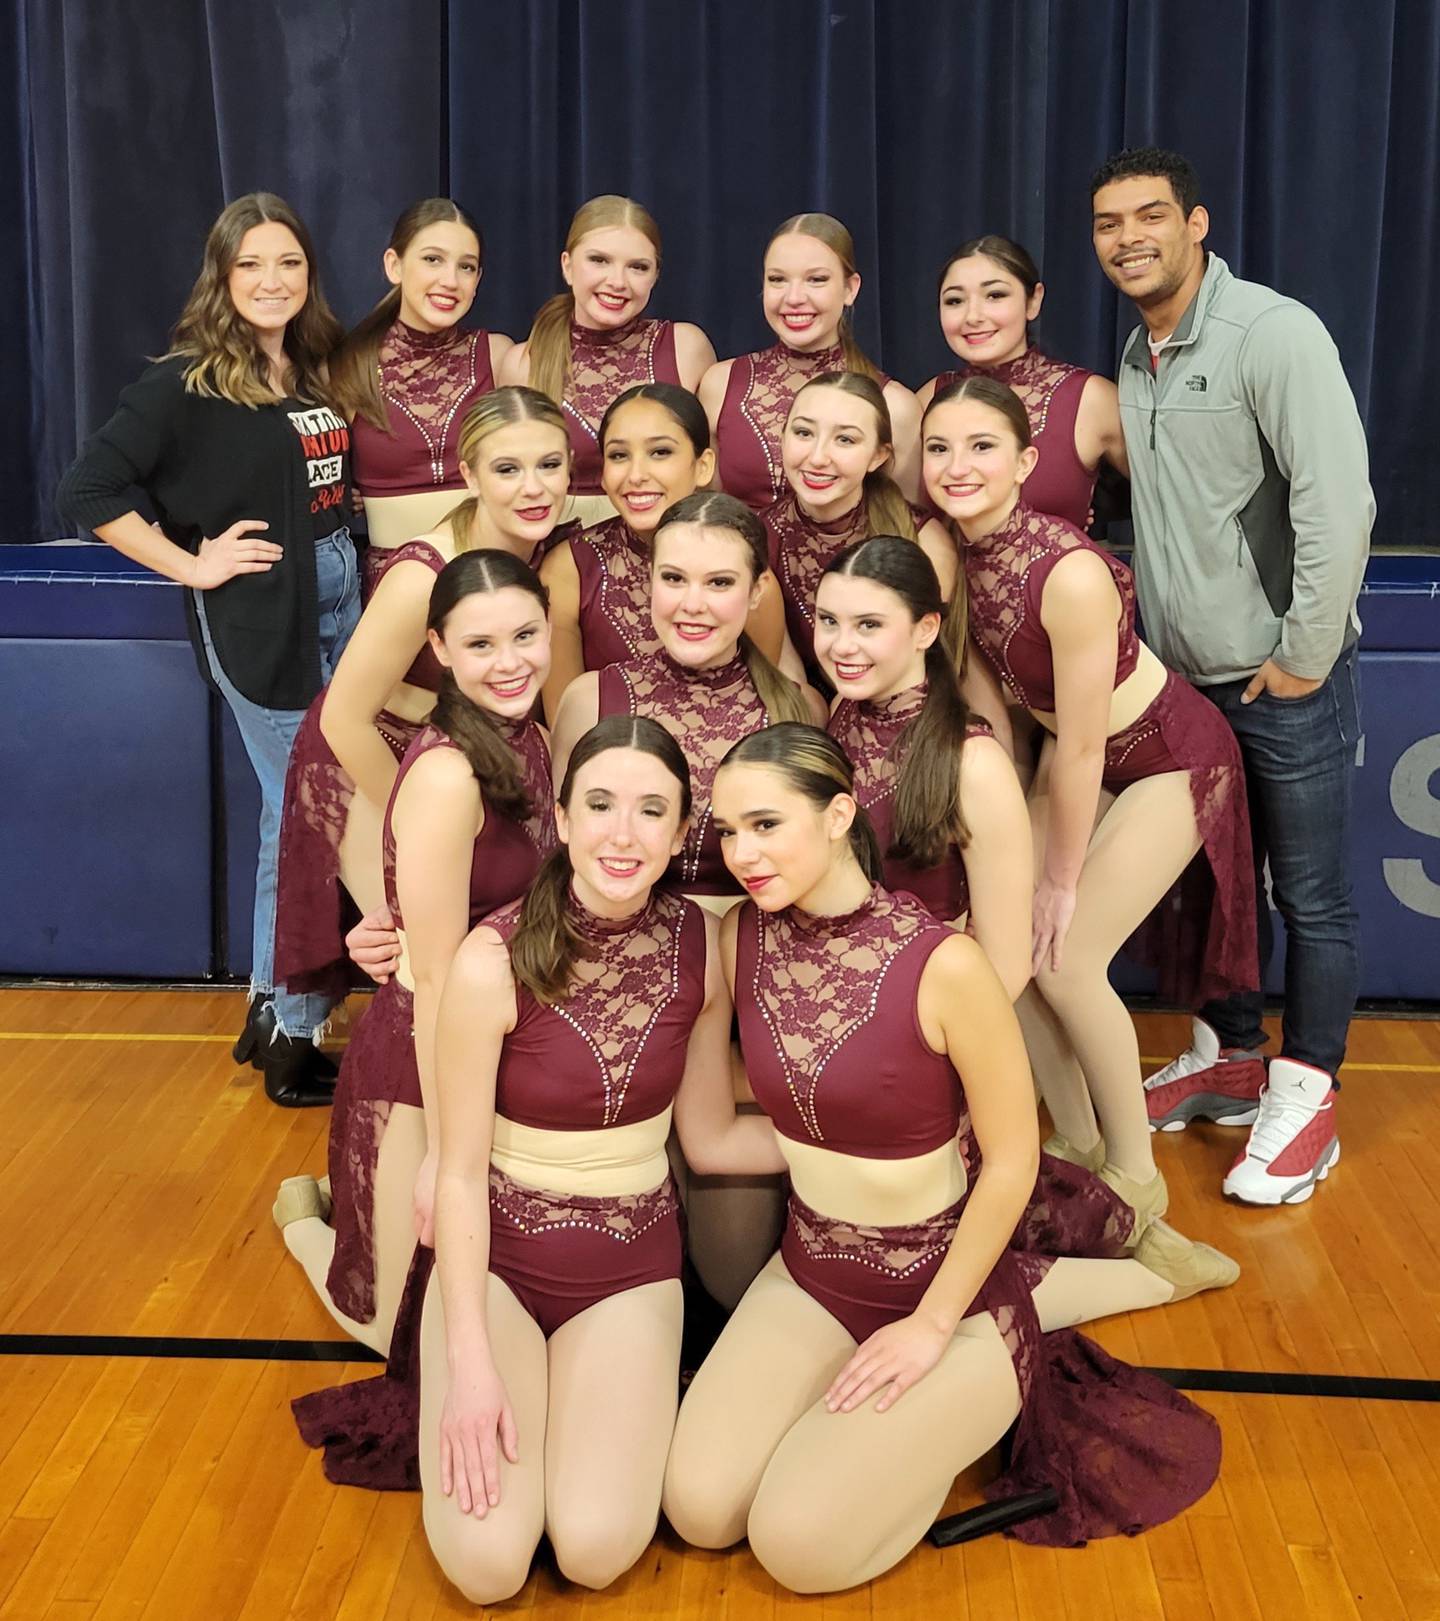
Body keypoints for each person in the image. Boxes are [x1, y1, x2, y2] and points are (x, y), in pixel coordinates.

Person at [661, 724, 1227, 1593]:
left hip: (946, 1294)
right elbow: (719, 1135)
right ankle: (1019, 1322)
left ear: (841, 812)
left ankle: (1070, 1304)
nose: (742, 852)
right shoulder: (741, 938)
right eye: (727, 830)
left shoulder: (945, 963)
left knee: (797, 1546)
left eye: (766, 824)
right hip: (813, 1273)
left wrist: (929, 1327)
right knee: (700, 1510)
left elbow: (1011, 1162)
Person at [295, 717, 787, 1602]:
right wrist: (470, 1361)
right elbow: (455, 1173)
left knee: (596, 1548)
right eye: (599, 805)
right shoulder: (491, 958)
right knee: (487, 1568)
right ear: (561, 818)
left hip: (629, 1265)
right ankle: (309, 1225)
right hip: (499, 1263)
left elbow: (710, 1137)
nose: (621, 833)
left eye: (650, 811)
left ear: (682, 835)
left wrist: (873, 1150)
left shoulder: (700, 952)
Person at [1091, 147, 1370, 1204]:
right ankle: (1237, 1058)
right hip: (1186, 684)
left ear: (1196, 223)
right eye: (1110, 222)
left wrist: (1301, 658)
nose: (1129, 237)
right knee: (1219, 895)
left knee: (1310, 895)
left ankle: (1312, 1092)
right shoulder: (1137, 350)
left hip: (1277, 681)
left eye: (1150, 215)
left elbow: (1339, 505)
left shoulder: (1274, 333)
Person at [923, 375, 1253, 1269]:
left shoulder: (1065, 572)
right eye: (939, 448)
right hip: (1078, 758)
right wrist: (1020, 862)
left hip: (1168, 754)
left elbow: (1080, 751)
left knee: (1066, 959)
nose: (958, 467)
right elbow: (1016, 728)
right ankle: (1073, 1146)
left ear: (1028, 462)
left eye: (982, 447)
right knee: (1013, 953)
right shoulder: (957, 551)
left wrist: (1062, 882)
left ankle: (1138, 1177)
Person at [56, 192, 359, 1107]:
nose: (272, 282)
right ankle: (294, 1032)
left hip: (342, 611)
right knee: (315, 816)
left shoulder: (310, 368)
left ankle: (274, 1012)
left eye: (289, 265)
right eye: (251, 266)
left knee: (288, 816)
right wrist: (191, 563)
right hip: (262, 623)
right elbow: (91, 488)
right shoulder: (185, 381)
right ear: (222, 279)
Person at [273, 551, 556, 1356]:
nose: (509, 663)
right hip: (423, 1059)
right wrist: (441, 1155)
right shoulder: (447, 776)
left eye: (525, 635)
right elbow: (432, 978)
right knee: (388, 1331)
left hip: (502, 1040)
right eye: (480, 645)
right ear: (438, 647)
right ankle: (306, 1221)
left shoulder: (529, 731)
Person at [273, 388, 570, 1002]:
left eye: (550, 465)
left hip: (477, 758)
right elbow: (344, 718)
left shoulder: (547, 553)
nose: (534, 487)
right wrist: (407, 822)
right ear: (469, 474)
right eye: (508, 469)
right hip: (376, 755)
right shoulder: (423, 578)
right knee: (421, 957)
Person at [550, 491, 822, 901]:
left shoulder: (798, 711)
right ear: (651, 577)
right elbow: (563, 864)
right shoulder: (589, 701)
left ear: (757, 589)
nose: (692, 604)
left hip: (748, 950)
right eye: (674, 578)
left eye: (719, 582)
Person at [817, 536, 1031, 997]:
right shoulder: (843, 707)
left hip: (919, 1009)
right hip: (829, 986)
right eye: (828, 621)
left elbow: (1008, 968)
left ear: (925, 630)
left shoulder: (974, 763)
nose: (842, 646)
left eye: (869, 625)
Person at [538, 382, 788, 719]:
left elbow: (758, 709)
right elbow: (563, 720)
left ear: (703, 465)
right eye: (618, 455)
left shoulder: (749, 575)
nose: (636, 475)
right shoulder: (570, 567)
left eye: (660, 452)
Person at [500, 195, 715, 524]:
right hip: (557, 558)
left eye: (637, 267)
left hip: (666, 550)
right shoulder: (522, 362)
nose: (617, 282)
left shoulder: (686, 347)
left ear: (656, 275)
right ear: (568, 266)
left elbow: (709, 477)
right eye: (599, 260)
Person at [329, 198, 514, 555]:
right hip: (391, 585)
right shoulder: (348, 367)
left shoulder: (499, 356)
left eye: (466, 267)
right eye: (433, 259)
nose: (450, 280)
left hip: (490, 579)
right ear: (394, 265)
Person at [702, 214, 921, 508]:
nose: (793, 298)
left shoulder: (895, 405)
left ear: (850, 289)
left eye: (816, 280)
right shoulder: (721, 384)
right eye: (778, 280)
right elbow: (709, 514)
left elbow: (905, 526)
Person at [916, 234, 1127, 529]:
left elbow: (1171, 498)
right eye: (955, 300)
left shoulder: (1089, 398)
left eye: (995, 295)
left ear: (1033, 300)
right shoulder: (927, 400)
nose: (973, 316)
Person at [763, 371, 956, 679]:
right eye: (803, 433)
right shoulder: (760, 537)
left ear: (878, 456)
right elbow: (779, 678)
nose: (817, 457)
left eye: (845, 439)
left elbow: (926, 676)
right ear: (782, 436)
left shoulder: (924, 541)